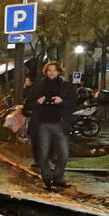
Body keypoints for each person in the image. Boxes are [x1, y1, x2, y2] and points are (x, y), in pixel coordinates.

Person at [25, 61, 72, 190]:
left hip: (60, 123)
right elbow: (27, 106)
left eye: (54, 70)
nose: (52, 72)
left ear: (58, 72)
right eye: (49, 70)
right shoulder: (38, 86)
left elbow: (73, 104)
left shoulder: (66, 86)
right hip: (42, 124)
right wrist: (37, 103)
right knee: (43, 154)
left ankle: (58, 178)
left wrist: (62, 101)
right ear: (45, 72)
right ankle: (47, 180)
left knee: (64, 153)